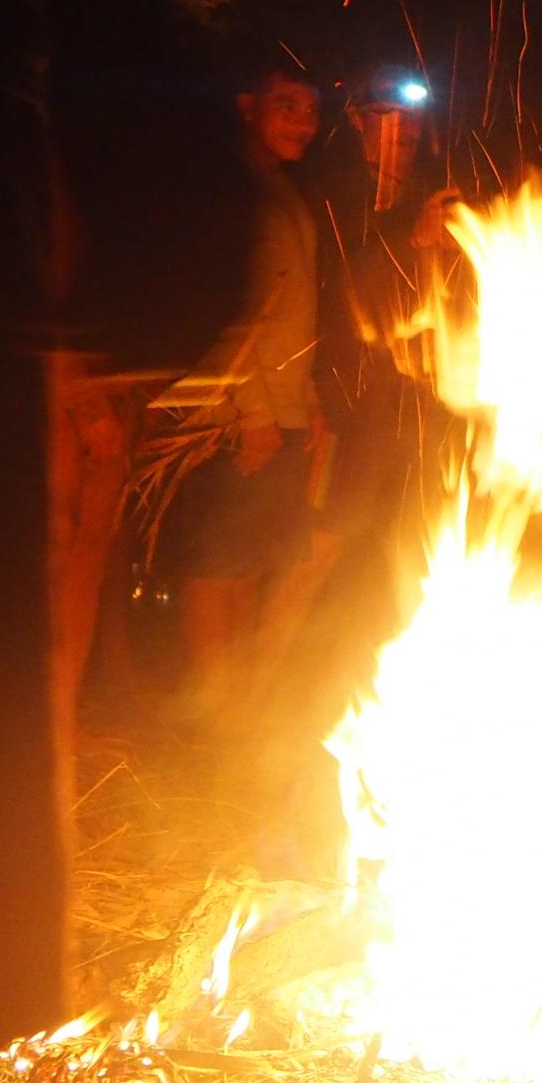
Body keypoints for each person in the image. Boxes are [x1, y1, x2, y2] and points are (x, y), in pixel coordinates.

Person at [154, 54, 327, 737]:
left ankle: (240, 712)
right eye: (287, 105)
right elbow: (234, 312)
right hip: (232, 413)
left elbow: (292, 304)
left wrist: (305, 398)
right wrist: (252, 413)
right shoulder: (235, 189)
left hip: (281, 407)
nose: (304, 122)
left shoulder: (282, 189)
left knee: (253, 560)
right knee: (216, 566)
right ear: (245, 104)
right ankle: (212, 713)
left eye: (311, 110)